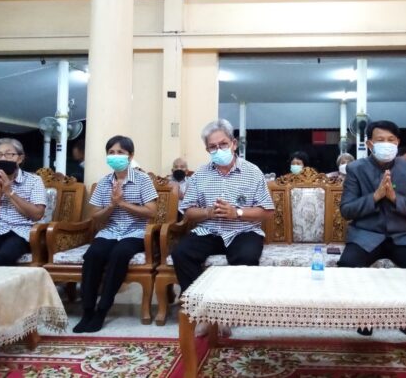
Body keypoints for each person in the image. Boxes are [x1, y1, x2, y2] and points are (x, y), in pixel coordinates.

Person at [172, 119, 274, 335]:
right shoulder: (200, 174)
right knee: (181, 253)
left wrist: (236, 212)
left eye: (223, 144)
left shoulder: (252, 171)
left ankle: (228, 313)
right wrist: (208, 212)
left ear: (233, 144)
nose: (218, 150)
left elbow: (267, 211)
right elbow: (188, 211)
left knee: (246, 256)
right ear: (207, 149)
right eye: (213, 147)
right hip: (209, 230)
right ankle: (203, 312)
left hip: (243, 230)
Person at [337, 120, 406, 336]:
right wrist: (376, 196)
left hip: (403, 236)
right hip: (366, 236)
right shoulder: (356, 169)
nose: (386, 144)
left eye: (391, 140)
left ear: (398, 142)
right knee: (347, 266)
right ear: (369, 144)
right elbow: (346, 210)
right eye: (380, 140)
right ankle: (365, 316)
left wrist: (393, 197)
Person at [73, 135, 158, 333]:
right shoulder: (104, 183)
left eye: (120, 152)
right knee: (93, 255)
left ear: (130, 156)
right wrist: (112, 205)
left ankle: (102, 309)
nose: (115, 156)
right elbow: (95, 216)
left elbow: (151, 212)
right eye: (111, 152)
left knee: (119, 254)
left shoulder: (143, 180)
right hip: (110, 231)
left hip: (136, 233)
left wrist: (122, 203)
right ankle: (87, 310)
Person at [0, 138, 46, 265]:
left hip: (23, 233)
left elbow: (37, 214)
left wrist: (9, 192)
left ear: (20, 158)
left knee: (5, 256)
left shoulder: (34, 180)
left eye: (8, 154)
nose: (3, 158)